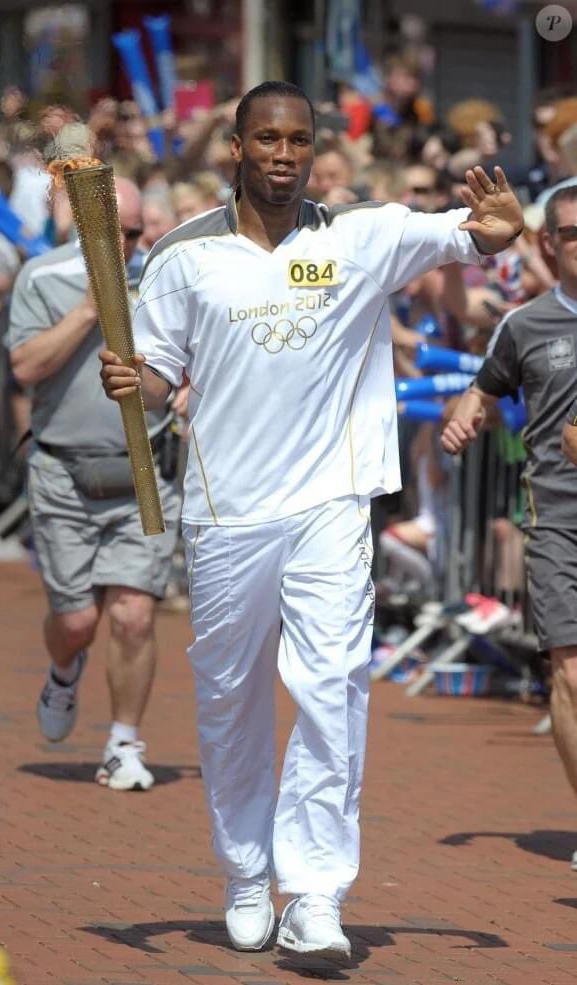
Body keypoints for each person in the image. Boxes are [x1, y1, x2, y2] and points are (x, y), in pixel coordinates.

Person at [100, 81, 523, 957]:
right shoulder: (184, 257)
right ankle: (247, 870)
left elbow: (470, 234)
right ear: (237, 148)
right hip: (227, 512)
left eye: (297, 140)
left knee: (331, 687)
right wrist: (129, 382)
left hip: (331, 502)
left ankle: (317, 891)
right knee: (230, 696)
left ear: (312, 146)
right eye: (266, 140)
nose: (283, 156)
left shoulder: (362, 236)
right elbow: (153, 375)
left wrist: (499, 227)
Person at [7, 177, 180, 792]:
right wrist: (88, 309)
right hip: (62, 473)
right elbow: (25, 367)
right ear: (86, 229)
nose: (129, 244)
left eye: (136, 232)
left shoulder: (163, 281)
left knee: (133, 614)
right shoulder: (43, 278)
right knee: (78, 622)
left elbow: (194, 356)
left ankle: (124, 742)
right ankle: (63, 669)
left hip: (143, 470)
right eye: (115, 233)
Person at [442, 181, 577, 870]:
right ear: (549, 243)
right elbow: (485, 386)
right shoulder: (525, 325)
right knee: (570, 673)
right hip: (559, 521)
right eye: (573, 232)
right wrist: (468, 411)